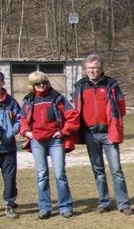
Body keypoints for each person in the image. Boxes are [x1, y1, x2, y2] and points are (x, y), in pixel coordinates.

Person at [72, 53, 133, 215]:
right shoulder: (80, 86)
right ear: (86, 69)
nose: (92, 71)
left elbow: (121, 106)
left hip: (108, 132)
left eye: (95, 68)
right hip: (90, 134)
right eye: (89, 68)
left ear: (101, 69)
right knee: (98, 170)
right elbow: (75, 108)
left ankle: (123, 203)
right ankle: (104, 202)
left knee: (116, 170)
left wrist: (114, 122)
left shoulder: (111, 84)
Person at [20, 71, 79, 219]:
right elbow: (22, 120)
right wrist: (26, 132)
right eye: (38, 83)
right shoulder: (28, 100)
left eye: (44, 82)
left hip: (55, 141)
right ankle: (44, 207)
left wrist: (63, 132)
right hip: (37, 141)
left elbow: (72, 116)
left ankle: (65, 206)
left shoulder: (57, 98)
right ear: (32, 85)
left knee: (60, 174)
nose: (41, 85)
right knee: (42, 175)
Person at [0, 72, 21, 219]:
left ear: (2, 83)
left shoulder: (11, 102)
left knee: (10, 178)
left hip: (8, 147)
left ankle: (9, 204)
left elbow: (19, 119)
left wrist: (10, 132)